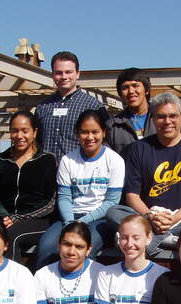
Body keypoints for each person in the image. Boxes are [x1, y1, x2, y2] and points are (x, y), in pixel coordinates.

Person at [106, 92, 181, 256]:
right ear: (153, 119)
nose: (167, 121)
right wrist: (151, 216)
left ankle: (152, 239)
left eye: (173, 116)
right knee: (113, 212)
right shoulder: (139, 148)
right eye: (161, 117)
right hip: (148, 218)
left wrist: (174, 218)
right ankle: (171, 239)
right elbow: (132, 196)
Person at [35, 110, 124, 268]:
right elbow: (64, 197)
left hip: (100, 219)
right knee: (47, 246)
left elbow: (111, 202)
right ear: (77, 134)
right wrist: (70, 222)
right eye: (84, 132)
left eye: (95, 132)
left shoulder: (115, 160)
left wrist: (82, 222)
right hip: (70, 216)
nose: (90, 137)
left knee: (85, 247)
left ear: (103, 132)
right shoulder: (68, 160)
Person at [0, 111, 57, 264]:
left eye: (25, 131)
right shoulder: (0, 160)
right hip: (6, 219)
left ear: (35, 132)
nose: (19, 136)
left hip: (38, 220)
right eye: (14, 130)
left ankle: (13, 283)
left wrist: (19, 218)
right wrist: (4, 215)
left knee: (12, 235)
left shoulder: (47, 160)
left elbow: (51, 202)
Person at [34, 51, 109, 163]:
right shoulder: (42, 107)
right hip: (47, 176)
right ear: (53, 75)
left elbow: (106, 142)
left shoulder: (94, 106)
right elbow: (35, 143)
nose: (64, 77)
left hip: (79, 174)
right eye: (59, 73)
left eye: (68, 72)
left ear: (78, 73)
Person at [106, 67, 157, 158]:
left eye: (135, 85)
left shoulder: (163, 118)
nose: (131, 91)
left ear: (147, 90)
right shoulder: (113, 126)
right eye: (125, 88)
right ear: (120, 94)